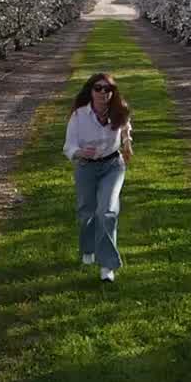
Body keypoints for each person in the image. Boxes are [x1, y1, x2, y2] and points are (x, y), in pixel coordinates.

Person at [63, 72, 134, 282]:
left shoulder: (119, 111)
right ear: (91, 91)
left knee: (108, 211)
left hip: (112, 166)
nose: (103, 92)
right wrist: (79, 152)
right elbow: (68, 145)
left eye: (108, 89)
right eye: (98, 88)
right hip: (86, 167)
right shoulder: (79, 116)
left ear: (113, 93)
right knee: (87, 212)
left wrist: (127, 142)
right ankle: (88, 249)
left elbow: (126, 129)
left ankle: (107, 266)